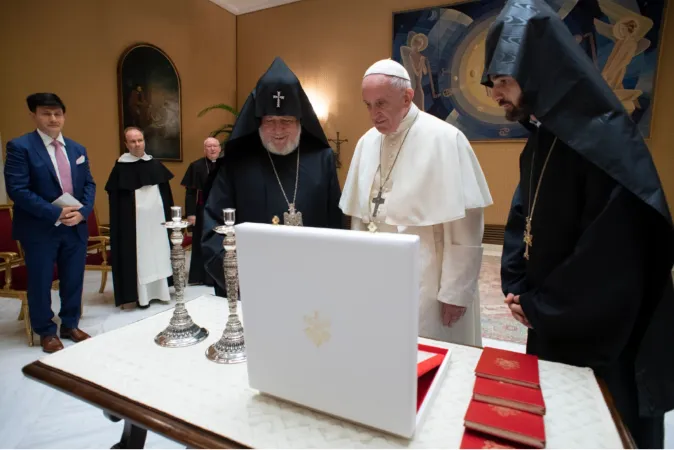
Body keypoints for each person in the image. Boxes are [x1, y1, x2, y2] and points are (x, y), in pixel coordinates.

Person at [481, 0, 674, 446]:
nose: (495, 93)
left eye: (503, 81)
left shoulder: (604, 142)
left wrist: (541, 305)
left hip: (603, 331)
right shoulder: (544, 139)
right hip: (551, 319)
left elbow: (614, 257)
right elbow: (520, 218)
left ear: (539, 74)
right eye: (492, 82)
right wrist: (518, 286)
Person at [339, 59, 493, 347]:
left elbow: (467, 225)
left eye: (381, 103)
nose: (374, 114)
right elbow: (360, 217)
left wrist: (455, 292)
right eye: (368, 105)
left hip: (428, 275)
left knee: (429, 351)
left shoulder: (446, 139)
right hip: (377, 274)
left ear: (407, 97)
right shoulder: (366, 143)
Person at [202, 56, 343, 297]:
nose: (278, 131)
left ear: (300, 120)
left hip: (313, 284)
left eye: (286, 121)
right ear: (258, 122)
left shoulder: (322, 159)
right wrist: (240, 280)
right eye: (270, 121)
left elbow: (336, 227)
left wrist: (333, 276)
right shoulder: (237, 162)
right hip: (255, 286)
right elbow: (213, 228)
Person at [4, 93, 96, 353]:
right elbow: (17, 190)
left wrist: (82, 212)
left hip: (75, 225)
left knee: (73, 278)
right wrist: (56, 213)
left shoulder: (77, 149)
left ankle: (69, 324)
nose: (53, 119)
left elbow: (89, 184)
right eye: (46, 113)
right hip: (39, 228)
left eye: (57, 113)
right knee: (41, 280)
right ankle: (45, 330)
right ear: (33, 115)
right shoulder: (20, 147)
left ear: (64, 116)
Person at [105, 127, 174, 310]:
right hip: (134, 225)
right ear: (126, 144)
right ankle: (140, 296)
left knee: (158, 253)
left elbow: (166, 195)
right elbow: (117, 203)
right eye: (133, 141)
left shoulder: (154, 164)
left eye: (140, 140)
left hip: (157, 221)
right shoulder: (121, 167)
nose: (137, 144)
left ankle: (161, 291)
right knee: (140, 256)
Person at [181, 137, 220, 286]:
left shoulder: (226, 165)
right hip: (203, 210)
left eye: (215, 146)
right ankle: (200, 276)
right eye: (209, 146)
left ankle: (218, 275)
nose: (212, 149)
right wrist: (191, 214)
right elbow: (190, 193)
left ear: (219, 148)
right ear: (204, 150)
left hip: (221, 210)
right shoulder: (196, 166)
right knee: (201, 242)